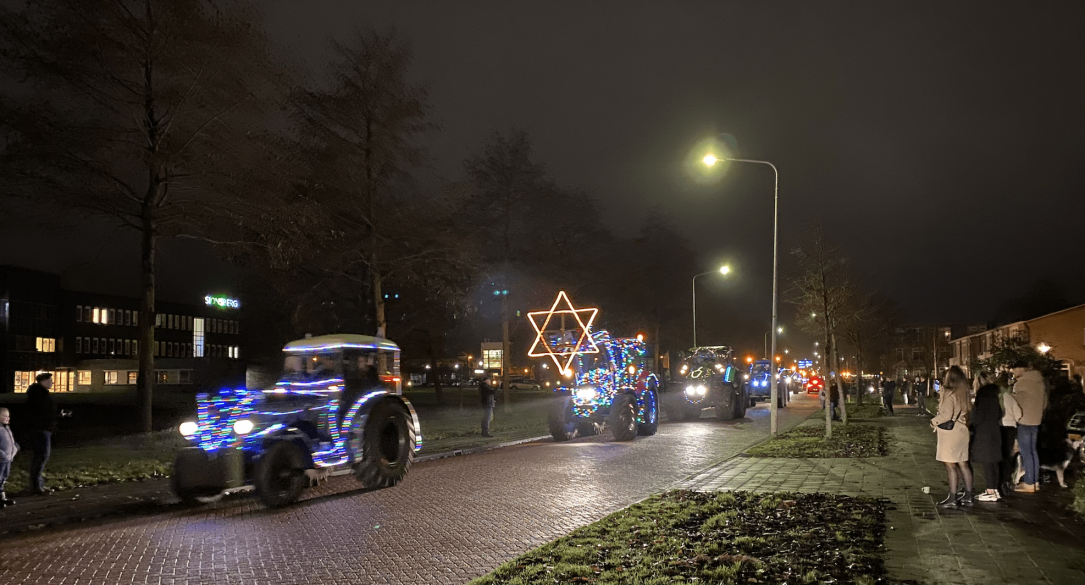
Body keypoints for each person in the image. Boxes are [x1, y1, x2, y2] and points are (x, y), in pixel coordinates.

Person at [931, 366, 973, 506]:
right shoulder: (964, 393)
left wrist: (933, 421)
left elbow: (946, 414)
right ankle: (968, 495)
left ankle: (952, 497)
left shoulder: (949, 393)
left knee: (950, 466)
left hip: (950, 434)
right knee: (963, 464)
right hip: (962, 430)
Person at [1011, 360, 1047, 493]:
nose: (1013, 373)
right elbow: (1045, 403)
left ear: (1021, 369)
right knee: (1033, 452)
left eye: (1014, 370)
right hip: (1036, 420)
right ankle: (1034, 481)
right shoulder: (1040, 382)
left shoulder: (1021, 384)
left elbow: (1014, 403)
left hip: (1024, 420)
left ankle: (1029, 483)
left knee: (1026, 452)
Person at [971, 373, 1003, 502]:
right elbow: (1000, 413)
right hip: (995, 430)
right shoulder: (994, 395)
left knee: (987, 462)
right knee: (993, 462)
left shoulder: (982, 396)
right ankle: (995, 489)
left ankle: (990, 491)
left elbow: (979, 415)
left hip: (984, 432)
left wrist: (972, 425)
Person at [25, 372, 57, 495]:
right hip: (41, 429)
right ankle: (36, 486)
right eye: (49, 381)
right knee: (41, 456)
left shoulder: (38, 394)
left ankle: (37, 484)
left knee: (41, 457)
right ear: (43, 381)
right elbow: (40, 413)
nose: (51, 383)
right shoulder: (39, 396)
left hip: (42, 428)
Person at [997, 372, 1022, 495]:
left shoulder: (996, 396)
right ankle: (1006, 480)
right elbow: (1019, 414)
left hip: (999, 427)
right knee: (1008, 456)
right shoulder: (1010, 397)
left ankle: (999, 480)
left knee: (999, 455)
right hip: (1010, 427)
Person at [0, 407, 18, 507]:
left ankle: (2, 497)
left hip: (7, 459)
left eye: (8, 416)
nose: (7, 418)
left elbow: (11, 442)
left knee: (3, 478)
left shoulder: (6, 428)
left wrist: (14, 449)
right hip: (1, 459)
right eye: (4, 416)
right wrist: (2, 454)